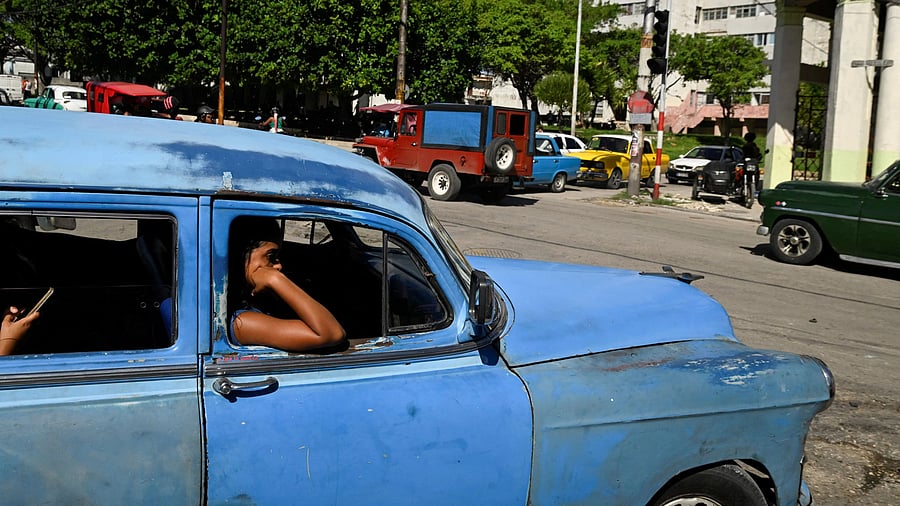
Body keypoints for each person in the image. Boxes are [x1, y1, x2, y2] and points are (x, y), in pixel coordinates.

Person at [229, 218, 345, 352]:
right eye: (271, 256)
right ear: (241, 256)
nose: (278, 265)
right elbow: (331, 334)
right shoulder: (241, 323)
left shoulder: (251, 298)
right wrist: (275, 279)